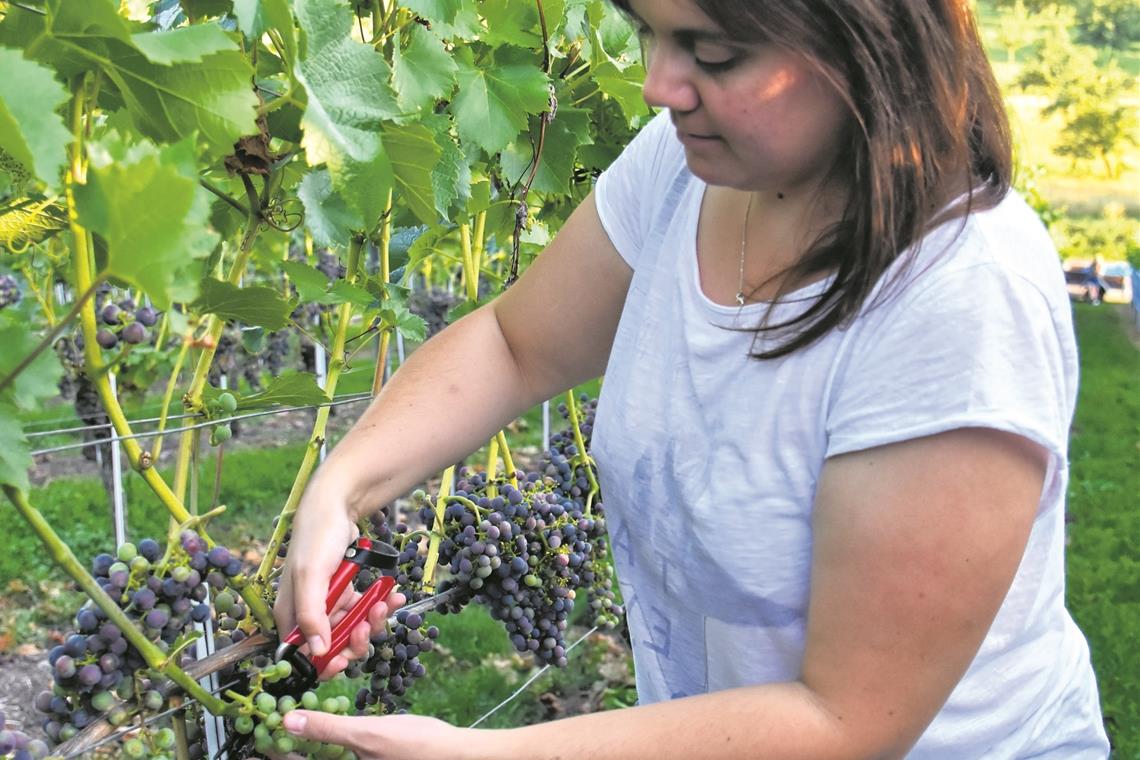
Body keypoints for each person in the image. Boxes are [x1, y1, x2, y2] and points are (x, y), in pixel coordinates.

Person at [272, 0, 1110, 757]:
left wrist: (492, 755)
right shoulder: (684, 170)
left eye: (712, 53)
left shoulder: (959, 298)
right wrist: (340, 489)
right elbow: (513, 343)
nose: (656, 85)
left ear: (865, 44)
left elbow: (848, 722)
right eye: (646, 30)